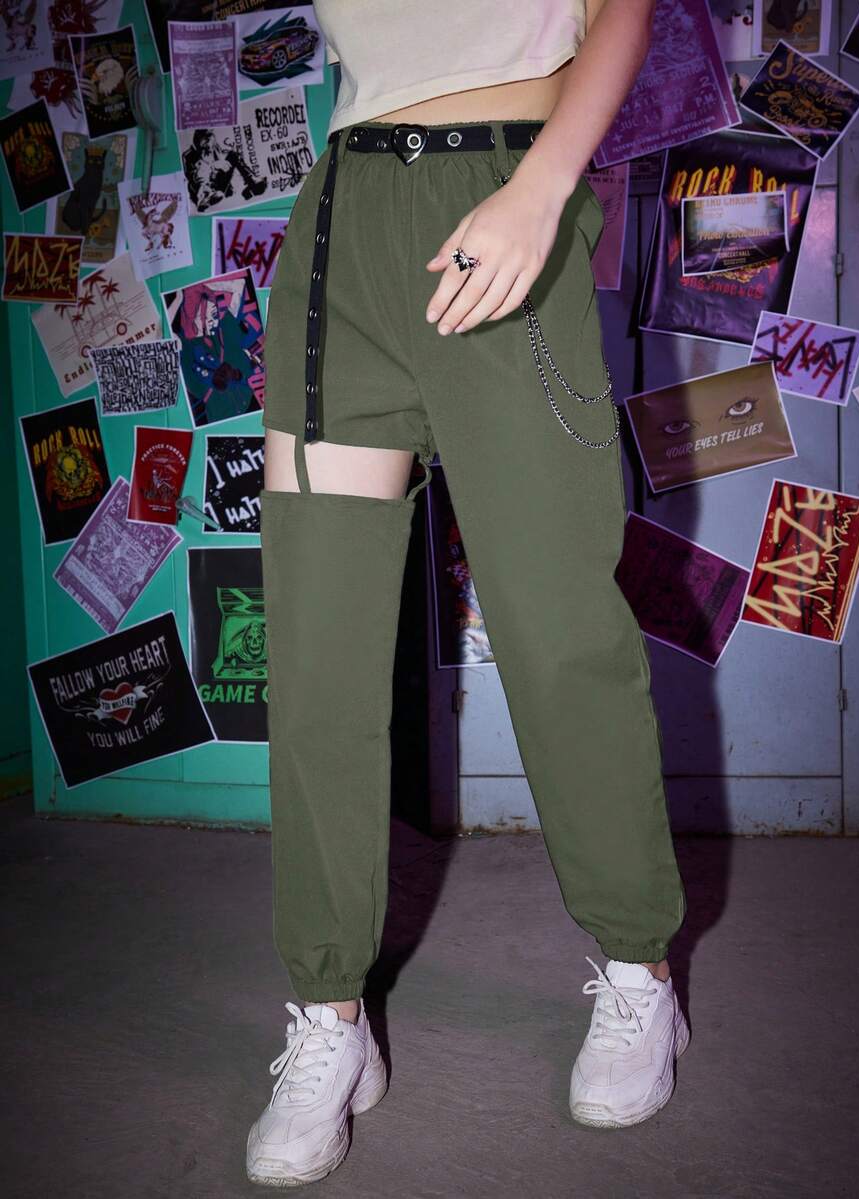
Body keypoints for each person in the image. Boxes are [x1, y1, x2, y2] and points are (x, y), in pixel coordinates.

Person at [249, 0, 690, 1186]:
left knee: (558, 633)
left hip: (504, 195)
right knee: (317, 650)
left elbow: (625, 10)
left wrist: (543, 190)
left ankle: (639, 967)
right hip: (342, 229)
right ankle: (330, 1011)